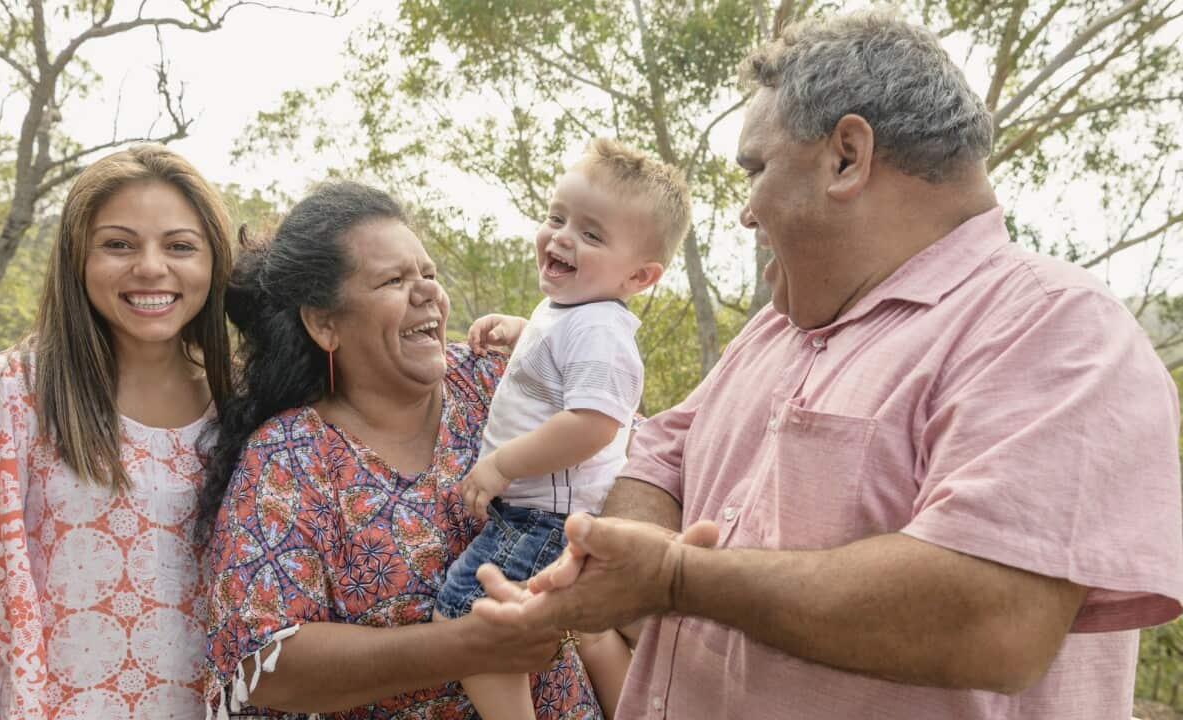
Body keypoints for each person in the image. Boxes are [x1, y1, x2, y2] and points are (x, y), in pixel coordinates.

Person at [472, 11, 1183, 720]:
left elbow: (999, 621)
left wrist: (680, 579)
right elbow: (655, 461)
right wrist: (625, 562)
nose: (747, 211)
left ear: (847, 155)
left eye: (757, 168)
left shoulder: (1055, 326)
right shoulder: (775, 329)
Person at [197, 181, 600, 719]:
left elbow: (631, 450)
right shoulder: (291, 456)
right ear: (324, 323)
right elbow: (265, 661)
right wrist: (467, 645)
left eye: (428, 274)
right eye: (393, 280)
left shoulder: (498, 380)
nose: (426, 292)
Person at [0, 144, 235, 719]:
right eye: (118, 244)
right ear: (77, 259)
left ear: (214, 262)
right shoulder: (7, 393)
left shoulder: (246, 406)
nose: (150, 267)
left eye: (180, 246)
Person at [435, 137, 690, 719]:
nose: (562, 236)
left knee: (470, 616)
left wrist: (502, 465)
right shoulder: (576, 313)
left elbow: (595, 423)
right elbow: (562, 362)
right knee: (583, 631)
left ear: (640, 275)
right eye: (556, 217)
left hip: (546, 516)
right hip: (546, 513)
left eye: (592, 234)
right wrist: (522, 329)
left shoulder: (600, 329)